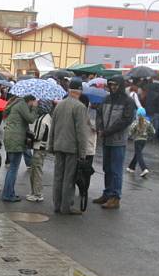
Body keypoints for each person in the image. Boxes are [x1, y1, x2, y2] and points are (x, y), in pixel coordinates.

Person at [49, 79, 89, 215]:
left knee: (58, 176)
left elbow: (53, 127)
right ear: (80, 91)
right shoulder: (80, 107)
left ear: (69, 90)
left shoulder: (59, 105)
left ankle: (57, 204)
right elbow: (81, 132)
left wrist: (51, 145)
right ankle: (66, 206)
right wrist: (83, 153)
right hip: (72, 148)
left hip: (58, 145)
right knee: (69, 178)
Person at [95, 75, 135, 209]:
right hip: (106, 139)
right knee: (107, 168)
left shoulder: (128, 101)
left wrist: (107, 131)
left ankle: (115, 196)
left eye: (115, 85)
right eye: (111, 84)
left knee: (116, 170)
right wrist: (100, 128)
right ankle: (107, 193)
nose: (113, 87)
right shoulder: (106, 99)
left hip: (118, 141)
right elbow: (99, 114)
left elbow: (125, 120)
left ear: (121, 85)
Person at [1, 94, 37, 202]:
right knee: (13, 169)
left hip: (11, 137)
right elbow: (31, 119)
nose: (33, 104)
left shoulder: (16, 104)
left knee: (12, 168)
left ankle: (9, 193)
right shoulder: (22, 104)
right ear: (30, 101)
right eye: (33, 102)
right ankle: (7, 195)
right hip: (16, 139)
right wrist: (35, 108)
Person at [26, 100, 53, 202]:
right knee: (37, 170)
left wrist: (29, 135)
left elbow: (37, 136)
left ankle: (37, 194)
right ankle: (35, 192)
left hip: (39, 148)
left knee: (36, 172)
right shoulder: (48, 118)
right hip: (44, 148)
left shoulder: (41, 120)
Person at [126, 107, 156, 177]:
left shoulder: (135, 122)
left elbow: (130, 132)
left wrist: (130, 136)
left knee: (139, 155)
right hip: (144, 141)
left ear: (137, 114)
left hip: (137, 140)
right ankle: (131, 167)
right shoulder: (148, 122)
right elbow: (153, 131)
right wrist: (147, 133)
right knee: (137, 154)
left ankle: (144, 168)